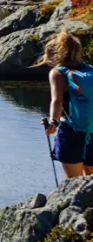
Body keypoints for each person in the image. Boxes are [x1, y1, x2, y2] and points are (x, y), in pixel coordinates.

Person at [43, 30, 93, 178]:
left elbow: (57, 101)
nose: (47, 60)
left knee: (74, 183)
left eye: (48, 56)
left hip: (72, 132)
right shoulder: (89, 69)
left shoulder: (58, 73)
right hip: (92, 131)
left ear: (57, 53)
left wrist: (53, 122)